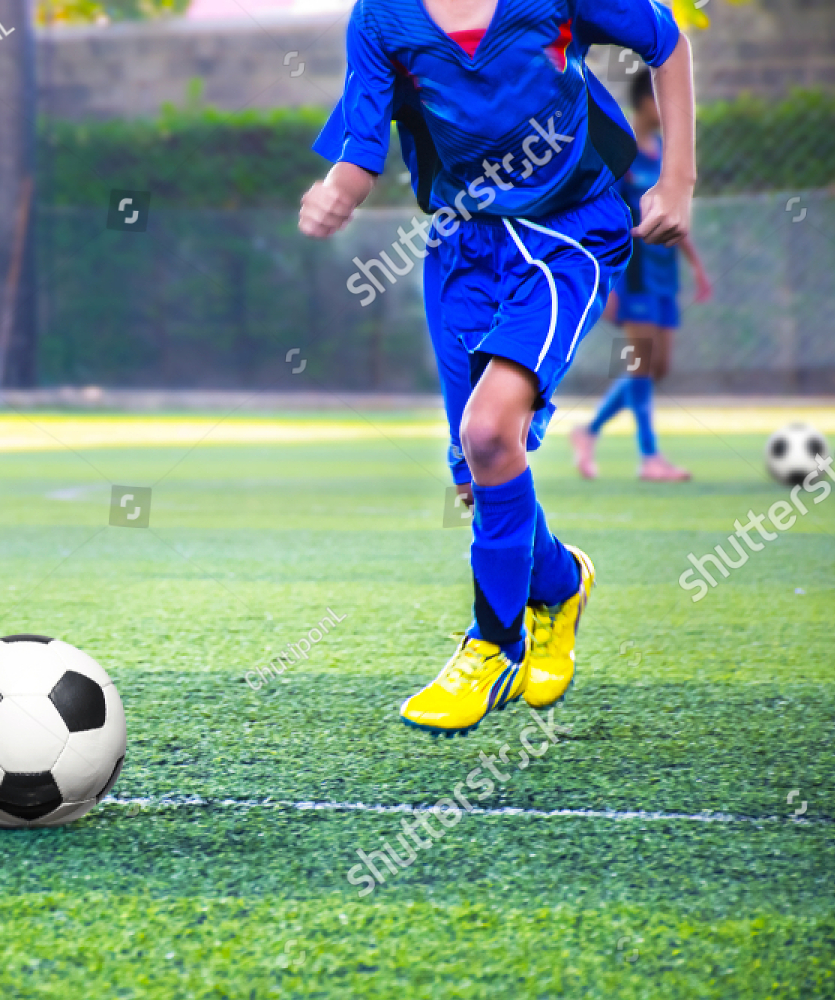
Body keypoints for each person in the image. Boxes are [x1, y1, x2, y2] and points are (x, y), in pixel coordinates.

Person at [300, 0, 695, 735]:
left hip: (568, 234)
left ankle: (493, 644)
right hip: (461, 251)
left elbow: (666, 42)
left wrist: (677, 181)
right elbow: (360, 151)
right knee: (476, 477)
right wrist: (334, 195)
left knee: (487, 433)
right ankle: (561, 582)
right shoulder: (381, 18)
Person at [571, 68, 712, 482]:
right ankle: (649, 457)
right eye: (660, 99)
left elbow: (672, 210)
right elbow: (603, 220)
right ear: (645, 103)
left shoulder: (665, 152)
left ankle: (589, 430)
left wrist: (696, 264)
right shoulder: (621, 153)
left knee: (656, 366)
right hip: (632, 275)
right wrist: (605, 280)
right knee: (639, 361)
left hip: (664, 274)